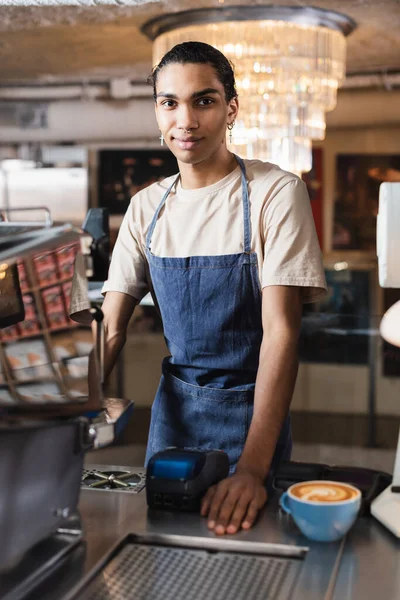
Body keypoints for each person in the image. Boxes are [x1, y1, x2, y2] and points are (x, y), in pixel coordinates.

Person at [76, 41, 327, 536]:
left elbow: (281, 335)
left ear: (231, 109)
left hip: (252, 420)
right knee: (164, 547)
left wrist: (253, 470)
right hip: (173, 421)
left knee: (247, 556)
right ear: (157, 110)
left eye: (203, 101)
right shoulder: (147, 207)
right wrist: (67, 408)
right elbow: (111, 330)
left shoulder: (276, 194)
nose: (185, 120)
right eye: (169, 102)